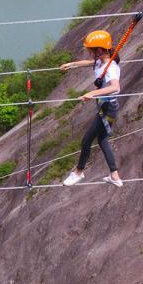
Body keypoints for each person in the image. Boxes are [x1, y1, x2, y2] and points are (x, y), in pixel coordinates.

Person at [58, 30, 124, 188]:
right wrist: (71, 64)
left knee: (86, 140)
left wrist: (92, 93)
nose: (89, 53)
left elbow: (115, 87)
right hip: (106, 107)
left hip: (108, 108)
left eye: (90, 50)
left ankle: (78, 172)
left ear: (99, 50)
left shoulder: (110, 67)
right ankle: (114, 175)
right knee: (102, 139)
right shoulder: (101, 61)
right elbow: (88, 63)